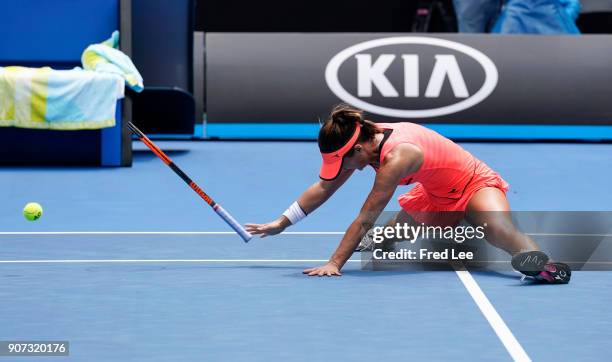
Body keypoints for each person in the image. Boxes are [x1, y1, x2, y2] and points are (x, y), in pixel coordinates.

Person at [246, 104, 571, 284]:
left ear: (358, 150)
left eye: (344, 162)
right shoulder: (361, 142)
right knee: (381, 243)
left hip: (474, 185)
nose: (344, 170)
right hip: (434, 197)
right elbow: (323, 187)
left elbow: (366, 216)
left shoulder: (397, 157)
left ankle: (543, 265)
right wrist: (281, 223)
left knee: (498, 229)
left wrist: (334, 262)